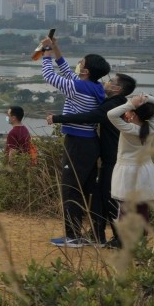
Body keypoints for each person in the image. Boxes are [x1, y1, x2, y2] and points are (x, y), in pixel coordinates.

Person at [49, 73, 136, 248]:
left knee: (110, 199)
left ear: (117, 89)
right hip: (111, 158)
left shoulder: (113, 105)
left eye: (111, 81)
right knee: (102, 197)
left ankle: (119, 238)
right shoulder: (118, 103)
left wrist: (58, 118)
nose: (107, 81)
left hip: (113, 160)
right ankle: (98, 235)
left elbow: (89, 116)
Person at [40, 37, 110, 247]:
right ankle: (97, 236)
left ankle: (72, 236)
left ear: (86, 71)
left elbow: (49, 75)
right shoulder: (95, 87)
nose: (78, 64)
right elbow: (67, 72)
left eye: (81, 62)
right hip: (89, 143)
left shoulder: (77, 88)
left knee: (70, 189)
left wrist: (44, 51)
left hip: (77, 144)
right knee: (89, 189)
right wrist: (55, 48)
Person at [107, 93, 154, 227]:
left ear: (134, 114)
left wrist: (131, 103)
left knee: (125, 208)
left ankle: (125, 240)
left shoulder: (128, 128)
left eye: (129, 111)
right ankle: (142, 239)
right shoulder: (152, 127)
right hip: (145, 170)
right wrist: (147, 98)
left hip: (127, 171)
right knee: (142, 208)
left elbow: (111, 114)